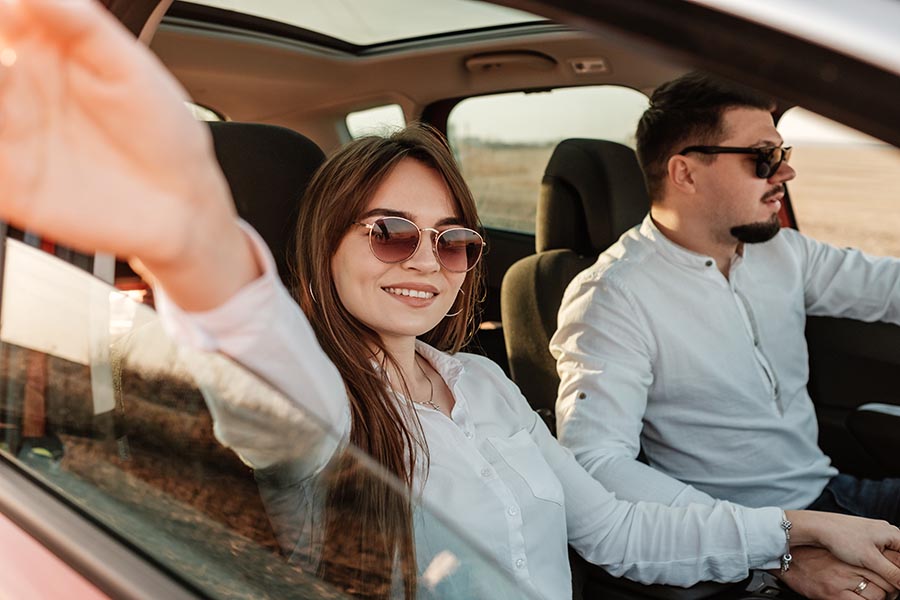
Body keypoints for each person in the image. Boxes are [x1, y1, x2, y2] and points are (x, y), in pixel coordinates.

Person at [2, 4, 900, 599]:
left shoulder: (485, 383)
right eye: (389, 231)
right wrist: (190, 238)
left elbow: (618, 528)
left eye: (452, 238)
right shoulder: (319, 406)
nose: (426, 260)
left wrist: (795, 536)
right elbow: (266, 392)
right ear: (328, 244)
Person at [551, 71, 900, 599]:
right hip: (752, 532)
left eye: (783, 150)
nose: (786, 170)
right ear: (685, 173)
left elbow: (886, 287)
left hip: (834, 493)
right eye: (763, 157)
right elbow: (597, 465)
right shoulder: (612, 296)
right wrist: (778, 549)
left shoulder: (780, 251)